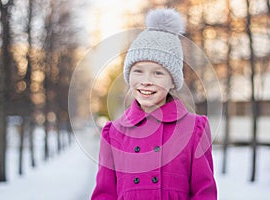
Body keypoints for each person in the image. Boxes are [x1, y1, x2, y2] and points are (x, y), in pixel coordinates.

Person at [91, 8, 217, 200]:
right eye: (138, 71)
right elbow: (104, 194)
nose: (146, 81)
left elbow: (204, 193)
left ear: (172, 80)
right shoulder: (113, 133)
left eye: (158, 73)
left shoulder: (194, 129)